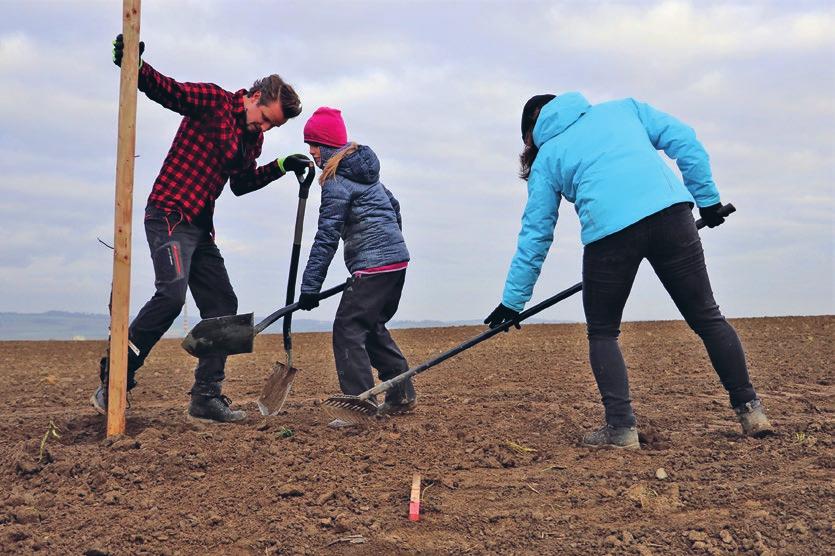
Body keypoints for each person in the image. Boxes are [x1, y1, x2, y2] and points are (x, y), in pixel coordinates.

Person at [484, 92, 773, 449]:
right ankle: (751, 412)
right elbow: (684, 139)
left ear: (531, 132)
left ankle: (621, 430)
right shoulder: (625, 110)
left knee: (603, 332)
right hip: (672, 215)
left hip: (609, 236)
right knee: (708, 317)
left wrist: (513, 301)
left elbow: (536, 234)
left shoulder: (546, 159)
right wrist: (708, 200)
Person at [91, 34, 313, 423]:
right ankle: (116, 378)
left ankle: (206, 397)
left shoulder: (253, 140)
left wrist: (280, 167)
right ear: (254, 96)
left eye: (273, 126)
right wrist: (135, 66)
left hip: (199, 228)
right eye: (265, 118)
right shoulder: (213, 101)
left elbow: (241, 184)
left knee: (222, 307)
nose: (265, 127)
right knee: (172, 296)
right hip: (168, 215)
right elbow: (168, 91)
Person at [296, 107, 414, 425]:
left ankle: (358, 408)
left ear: (330, 145)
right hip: (396, 263)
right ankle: (400, 392)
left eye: (315, 144)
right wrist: (391, 246)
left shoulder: (335, 181)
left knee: (347, 328)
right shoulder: (367, 174)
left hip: (375, 267)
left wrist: (310, 289)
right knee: (370, 325)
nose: (311, 151)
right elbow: (395, 206)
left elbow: (326, 237)